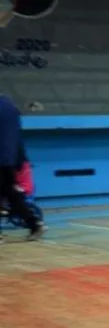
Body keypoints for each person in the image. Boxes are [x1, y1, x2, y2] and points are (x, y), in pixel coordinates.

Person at [0, 94, 43, 241]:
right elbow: (17, 136)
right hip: (9, 159)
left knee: (10, 193)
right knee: (11, 193)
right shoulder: (11, 107)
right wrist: (19, 160)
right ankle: (34, 224)